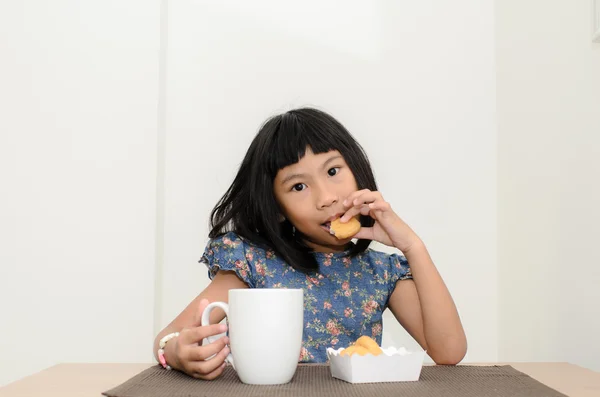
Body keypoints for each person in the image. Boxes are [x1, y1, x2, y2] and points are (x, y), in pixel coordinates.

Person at [153, 107, 467, 380]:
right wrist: (176, 351)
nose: (326, 197)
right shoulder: (252, 263)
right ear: (277, 209)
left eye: (333, 171)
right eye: (299, 186)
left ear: (356, 169)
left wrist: (413, 246)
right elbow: (167, 337)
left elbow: (449, 351)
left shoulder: (382, 273)